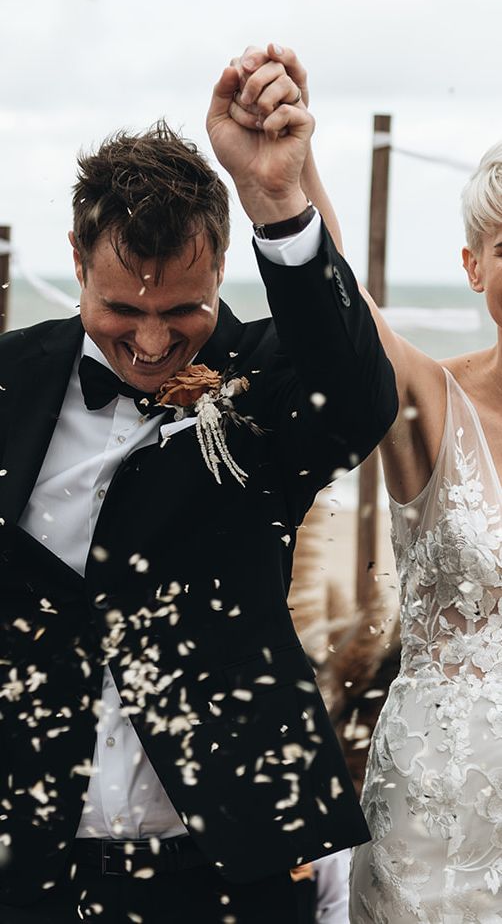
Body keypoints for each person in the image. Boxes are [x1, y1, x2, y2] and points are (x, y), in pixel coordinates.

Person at [0, 54, 398, 923]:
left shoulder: (267, 381)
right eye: (121, 311)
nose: (149, 345)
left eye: (179, 311)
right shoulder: (9, 384)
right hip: (28, 874)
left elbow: (360, 397)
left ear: (220, 261)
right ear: (75, 258)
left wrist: (276, 202)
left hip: (229, 874)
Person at [233, 43, 502, 922]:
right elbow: (339, 315)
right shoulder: (436, 402)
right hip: (441, 829)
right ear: (474, 268)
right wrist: (290, 172)